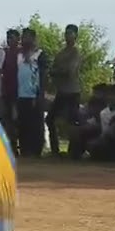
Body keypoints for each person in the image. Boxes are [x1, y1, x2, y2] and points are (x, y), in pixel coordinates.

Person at [47, 24, 82, 156]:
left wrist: (58, 71)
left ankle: (74, 151)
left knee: (73, 121)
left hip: (73, 91)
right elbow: (52, 71)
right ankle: (55, 150)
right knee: (50, 119)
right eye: (66, 33)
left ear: (75, 36)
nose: (67, 36)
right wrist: (58, 72)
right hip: (61, 91)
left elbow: (70, 71)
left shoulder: (76, 52)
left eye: (70, 33)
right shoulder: (61, 53)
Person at [15, 28, 47, 157]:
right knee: (23, 123)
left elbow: (43, 75)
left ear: (33, 39)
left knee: (36, 124)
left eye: (27, 37)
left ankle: (36, 150)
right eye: (23, 37)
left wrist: (40, 94)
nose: (24, 40)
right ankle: (24, 149)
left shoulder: (39, 54)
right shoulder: (19, 56)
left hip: (34, 94)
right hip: (21, 94)